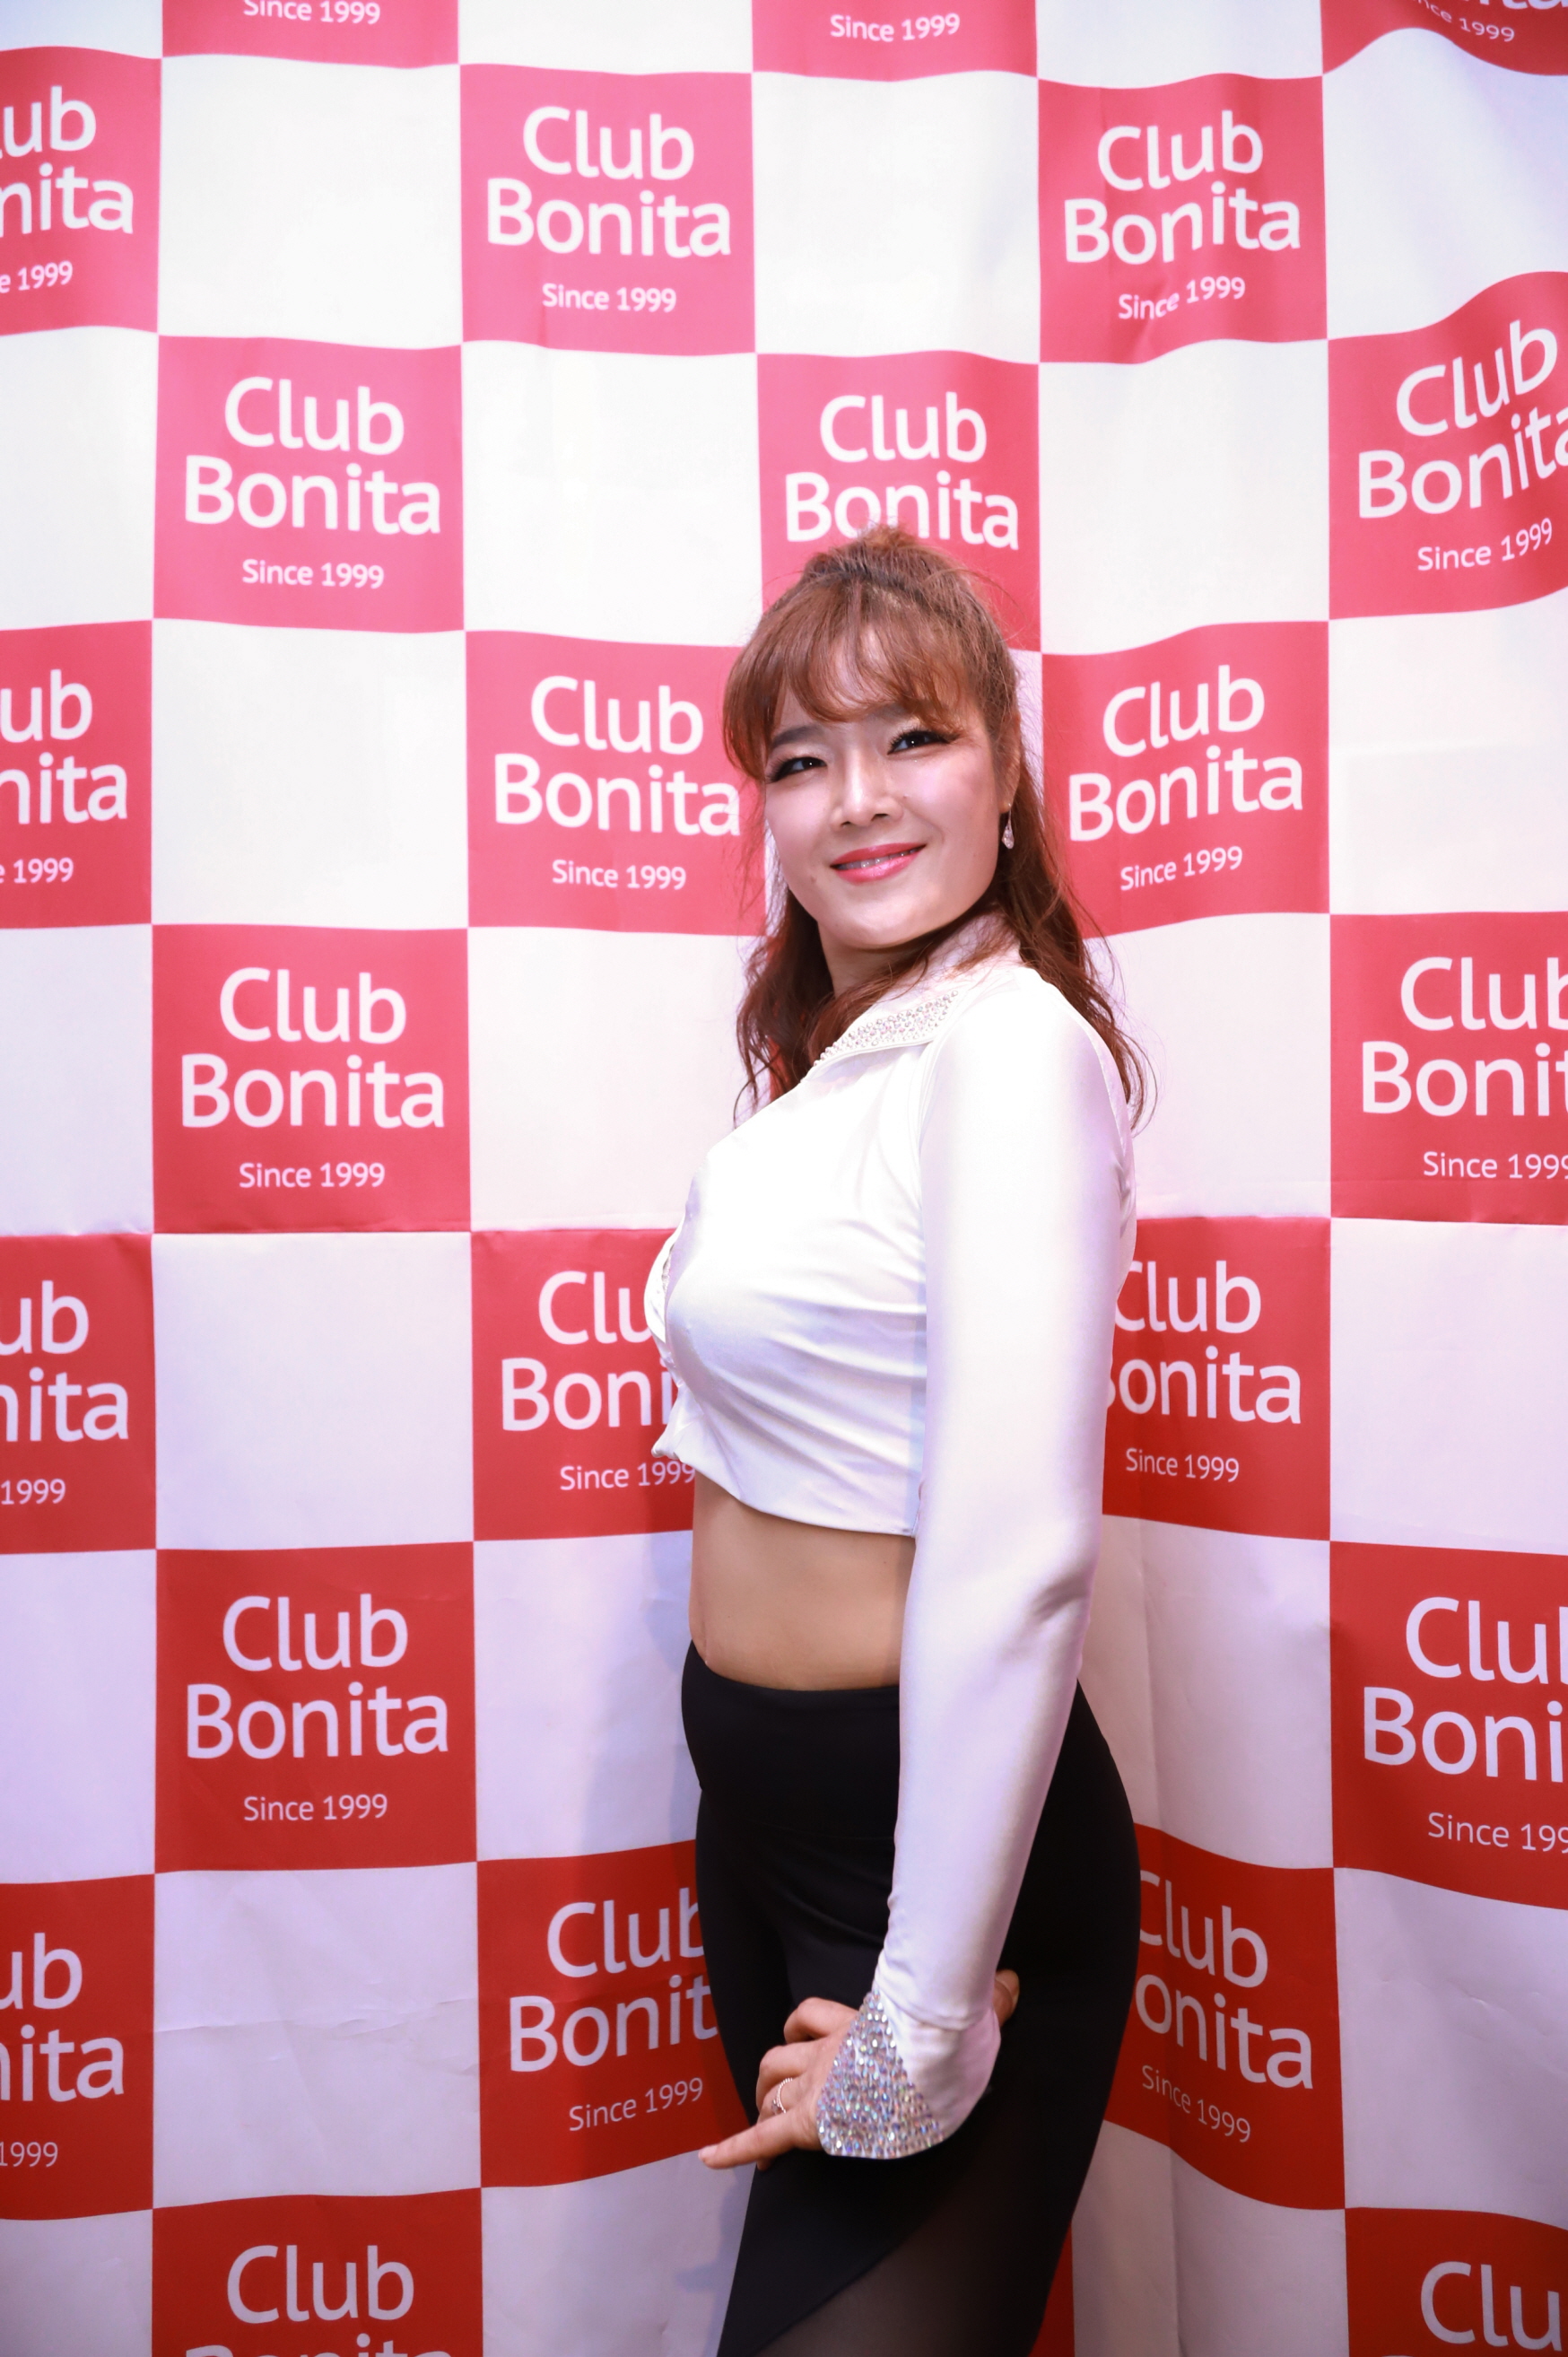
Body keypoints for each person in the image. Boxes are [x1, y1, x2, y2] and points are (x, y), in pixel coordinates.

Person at [644, 528, 1145, 2356]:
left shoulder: (1008, 1050)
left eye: (912, 737)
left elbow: (1018, 1561)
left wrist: (923, 2021)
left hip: (922, 1867)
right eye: (801, 759)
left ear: (1005, 777)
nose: (854, 798)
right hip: (768, 1820)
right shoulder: (836, 1074)